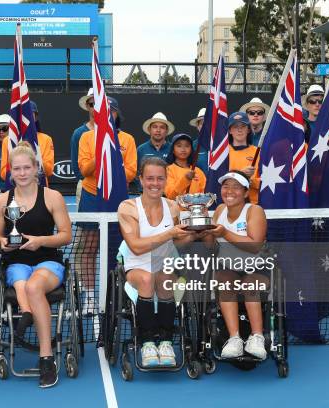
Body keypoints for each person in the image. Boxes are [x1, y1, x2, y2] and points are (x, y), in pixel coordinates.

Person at [0, 141, 72, 388]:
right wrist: (3, 242)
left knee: (35, 287)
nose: (22, 173)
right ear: (10, 171)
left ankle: (46, 357)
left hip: (48, 261)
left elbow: (66, 235)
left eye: (27, 167)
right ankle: (26, 313)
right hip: (16, 263)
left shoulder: (52, 197)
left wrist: (41, 241)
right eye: (17, 169)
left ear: (36, 168)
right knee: (22, 280)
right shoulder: (1, 201)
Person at [118, 157, 199, 367]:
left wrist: (196, 231)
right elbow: (135, 246)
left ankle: (165, 342)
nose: (155, 183)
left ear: (166, 180)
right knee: (146, 279)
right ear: (141, 180)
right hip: (137, 265)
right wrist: (169, 234)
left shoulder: (173, 207)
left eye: (160, 179)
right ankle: (146, 342)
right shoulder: (128, 207)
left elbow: (179, 244)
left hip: (164, 265)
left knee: (164, 279)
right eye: (150, 178)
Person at [77, 96, 137, 311]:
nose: (107, 115)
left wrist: (112, 164)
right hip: (92, 196)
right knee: (89, 248)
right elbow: (84, 170)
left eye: (111, 111)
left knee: (118, 249)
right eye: (103, 111)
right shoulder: (86, 137)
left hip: (118, 197)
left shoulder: (128, 140)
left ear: (116, 114)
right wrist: (102, 152)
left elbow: (130, 173)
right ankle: (90, 296)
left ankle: (119, 292)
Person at [201, 171, 268, 360]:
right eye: (226, 186)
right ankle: (234, 339)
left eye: (236, 187)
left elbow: (254, 246)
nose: (229, 190)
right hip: (227, 267)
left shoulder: (255, 210)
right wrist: (206, 227)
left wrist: (224, 233)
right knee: (224, 282)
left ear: (246, 192)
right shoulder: (220, 210)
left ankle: (257, 337)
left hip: (256, 266)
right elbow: (210, 246)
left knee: (250, 285)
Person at [0, 101, 54, 186]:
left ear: (35, 117)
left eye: (29, 114)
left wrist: (33, 157)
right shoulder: (8, 140)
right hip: (15, 188)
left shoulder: (46, 139)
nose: (25, 117)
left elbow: (49, 170)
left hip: (39, 187)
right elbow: (3, 173)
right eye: (21, 114)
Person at [226, 112, 259, 204]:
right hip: (229, 203)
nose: (239, 130)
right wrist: (241, 175)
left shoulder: (258, 152)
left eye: (243, 126)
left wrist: (252, 182)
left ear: (248, 130)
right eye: (235, 127)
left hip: (253, 204)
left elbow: (268, 181)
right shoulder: (222, 153)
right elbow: (217, 179)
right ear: (230, 130)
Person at [71, 88, 95, 206]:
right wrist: (86, 180)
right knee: (84, 223)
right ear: (87, 106)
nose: (96, 107)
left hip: (109, 185)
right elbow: (76, 164)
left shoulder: (114, 133)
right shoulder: (79, 133)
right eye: (92, 104)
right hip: (85, 184)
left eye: (99, 103)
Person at [164, 133, 206, 200]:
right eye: (179, 146)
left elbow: (205, 195)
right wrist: (186, 179)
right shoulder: (168, 170)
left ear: (191, 149)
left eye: (187, 146)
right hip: (176, 210)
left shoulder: (198, 171)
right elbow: (171, 196)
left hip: (196, 209)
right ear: (173, 150)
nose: (183, 149)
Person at [190, 108, 208, 174]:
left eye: (208, 123)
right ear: (197, 126)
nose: (205, 126)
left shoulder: (221, 145)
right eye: (202, 123)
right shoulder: (191, 146)